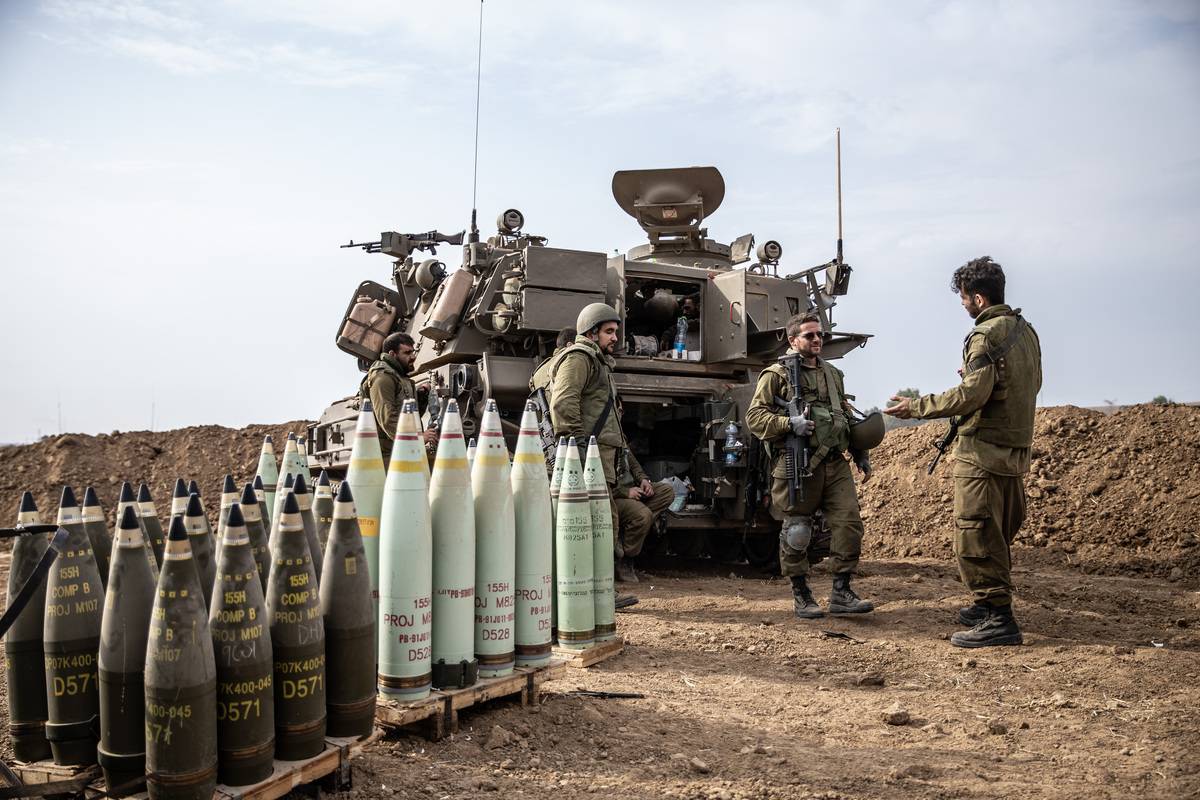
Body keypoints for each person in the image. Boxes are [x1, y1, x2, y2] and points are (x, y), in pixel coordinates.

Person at [884, 256, 1041, 648]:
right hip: (1014, 450)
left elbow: (973, 394)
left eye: (964, 299)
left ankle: (998, 617)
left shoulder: (984, 335)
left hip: (983, 452)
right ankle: (986, 606)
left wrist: (916, 407)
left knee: (975, 534)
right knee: (998, 530)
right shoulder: (1026, 331)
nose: (963, 305)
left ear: (979, 299)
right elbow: (1030, 382)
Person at [745, 312, 874, 619]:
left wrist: (860, 452)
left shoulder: (833, 373)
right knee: (798, 531)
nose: (818, 340)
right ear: (793, 341)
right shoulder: (775, 375)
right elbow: (754, 418)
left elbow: (841, 414)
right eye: (810, 336)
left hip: (834, 463)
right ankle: (801, 593)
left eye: (821, 335)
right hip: (797, 462)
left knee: (849, 525)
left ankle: (842, 592)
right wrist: (789, 423)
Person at [547, 303, 663, 583]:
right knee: (601, 524)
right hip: (589, 458)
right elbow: (563, 403)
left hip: (601, 460)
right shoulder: (579, 357)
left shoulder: (597, 361)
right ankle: (600, 591)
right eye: (609, 332)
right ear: (591, 332)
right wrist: (580, 449)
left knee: (603, 522)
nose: (614, 338)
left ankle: (601, 591)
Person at [359, 332, 435, 465]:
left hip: (402, 452)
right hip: (388, 456)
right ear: (392, 354)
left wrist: (421, 397)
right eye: (407, 353)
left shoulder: (400, 377)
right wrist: (417, 439)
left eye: (413, 352)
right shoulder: (383, 377)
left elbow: (406, 416)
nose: (413, 357)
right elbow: (388, 419)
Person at [611, 432, 673, 583]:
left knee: (666, 491)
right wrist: (626, 492)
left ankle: (626, 535)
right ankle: (626, 558)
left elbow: (632, 462)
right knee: (643, 515)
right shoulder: (600, 440)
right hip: (611, 497)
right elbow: (599, 484)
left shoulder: (619, 434)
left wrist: (644, 480)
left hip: (630, 491)